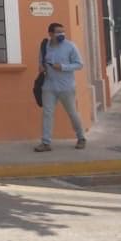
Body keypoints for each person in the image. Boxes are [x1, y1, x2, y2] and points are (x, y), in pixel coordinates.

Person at [34, 21, 86, 152]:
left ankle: (81, 138)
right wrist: (41, 67)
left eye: (63, 31)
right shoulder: (45, 46)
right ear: (50, 33)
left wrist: (63, 67)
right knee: (47, 113)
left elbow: (79, 64)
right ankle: (46, 143)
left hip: (66, 87)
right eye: (58, 32)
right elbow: (41, 61)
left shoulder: (70, 46)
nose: (61, 34)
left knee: (72, 113)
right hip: (49, 85)